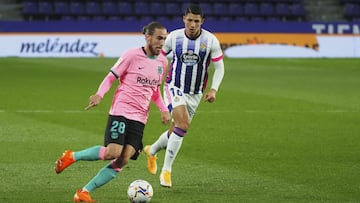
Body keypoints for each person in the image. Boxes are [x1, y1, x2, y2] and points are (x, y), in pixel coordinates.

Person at [54, 21, 170, 202]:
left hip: (140, 117)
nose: (162, 43)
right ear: (148, 37)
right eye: (159, 38)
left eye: (164, 39)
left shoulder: (163, 61)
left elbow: (155, 90)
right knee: (113, 151)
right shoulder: (131, 55)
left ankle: (83, 192)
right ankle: (71, 156)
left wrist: (163, 110)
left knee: (123, 159)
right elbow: (111, 77)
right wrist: (99, 95)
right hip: (122, 110)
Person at [144, 3, 225, 188]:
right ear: (184, 19)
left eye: (196, 21)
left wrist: (213, 89)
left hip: (195, 93)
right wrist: (152, 77)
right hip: (174, 87)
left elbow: (220, 67)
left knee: (177, 130)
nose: (193, 24)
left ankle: (152, 150)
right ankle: (167, 170)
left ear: (202, 21)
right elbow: (158, 58)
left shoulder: (211, 40)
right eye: (189, 20)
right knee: (183, 125)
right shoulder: (174, 37)